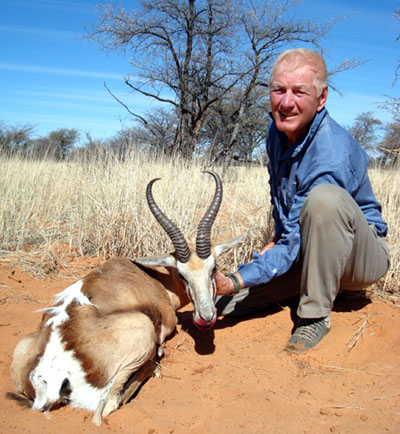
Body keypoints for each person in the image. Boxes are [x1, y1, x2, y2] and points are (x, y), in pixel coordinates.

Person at [215, 48, 390, 353]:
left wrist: (235, 278)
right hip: (310, 250)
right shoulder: (276, 130)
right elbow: (280, 199)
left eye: (299, 92)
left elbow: (299, 235)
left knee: (324, 200)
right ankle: (301, 287)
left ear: (321, 98)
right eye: (278, 90)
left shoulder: (331, 151)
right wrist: (274, 241)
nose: (286, 102)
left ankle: (315, 315)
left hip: (360, 259)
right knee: (224, 305)